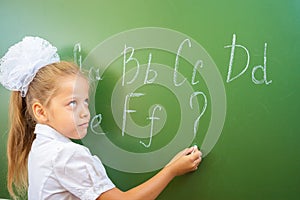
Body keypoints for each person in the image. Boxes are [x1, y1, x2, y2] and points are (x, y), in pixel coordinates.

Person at [0, 36, 202, 200]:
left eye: (86, 101)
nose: (85, 112)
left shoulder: (42, 146)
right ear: (41, 112)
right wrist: (171, 170)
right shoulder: (67, 155)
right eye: (72, 103)